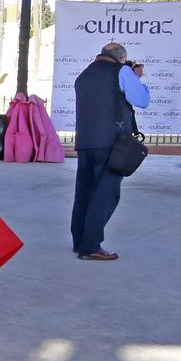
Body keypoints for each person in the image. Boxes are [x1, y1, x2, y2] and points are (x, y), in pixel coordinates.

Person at [71, 42, 149, 261]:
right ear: (121, 58)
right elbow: (142, 100)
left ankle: (80, 242)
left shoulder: (85, 74)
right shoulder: (121, 71)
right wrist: (136, 77)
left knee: (84, 194)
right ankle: (91, 246)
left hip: (85, 141)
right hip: (110, 142)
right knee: (105, 195)